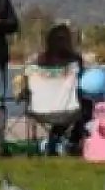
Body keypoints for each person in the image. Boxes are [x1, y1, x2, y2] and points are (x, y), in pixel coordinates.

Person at [25, 23, 88, 154]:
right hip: (69, 109)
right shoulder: (75, 62)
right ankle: (73, 141)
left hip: (39, 111)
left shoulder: (38, 63)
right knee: (85, 104)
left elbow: (28, 87)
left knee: (70, 104)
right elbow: (81, 83)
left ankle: (54, 139)